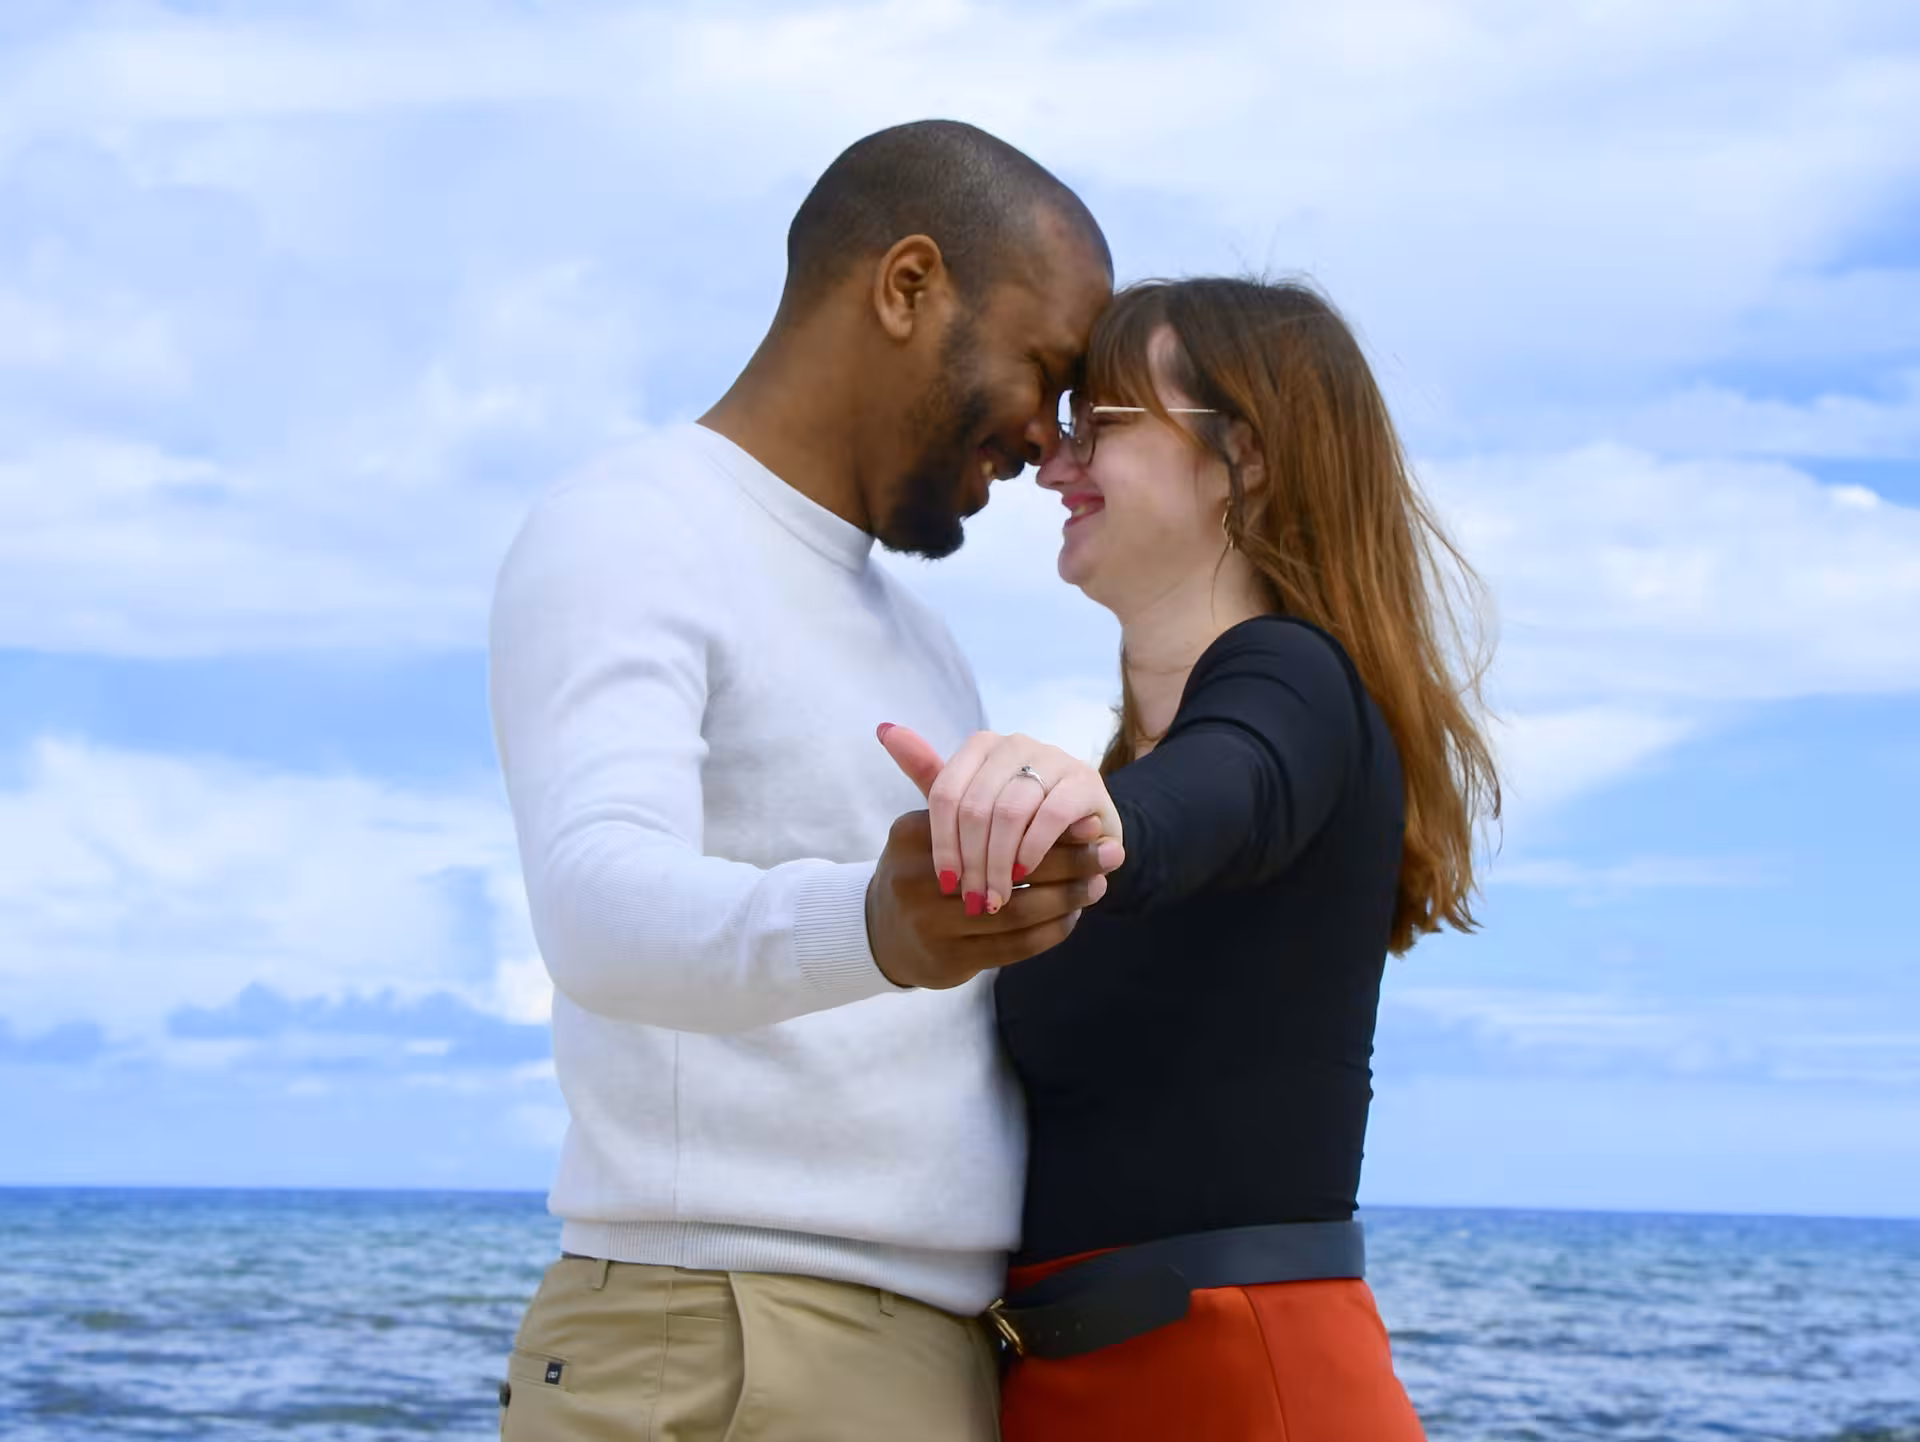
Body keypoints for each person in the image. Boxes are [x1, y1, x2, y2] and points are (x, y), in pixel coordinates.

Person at [487, 120, 1119, 1442]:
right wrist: (877, 922)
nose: (1048, 440)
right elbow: (595, 905)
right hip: (731, 1337)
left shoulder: (926, 642)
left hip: (903, 1344)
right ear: (907, 285)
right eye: (1047, 370)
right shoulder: (637, 525)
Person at [881, 276, 1500, 1440]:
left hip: (1239, 1384)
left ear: (1244, 455)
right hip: (1077, 1388)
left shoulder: (1294, 680)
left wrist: (1098, 821)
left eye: (1101, 425)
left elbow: (1228, 786)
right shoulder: (1136, 764)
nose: (1056, 466)